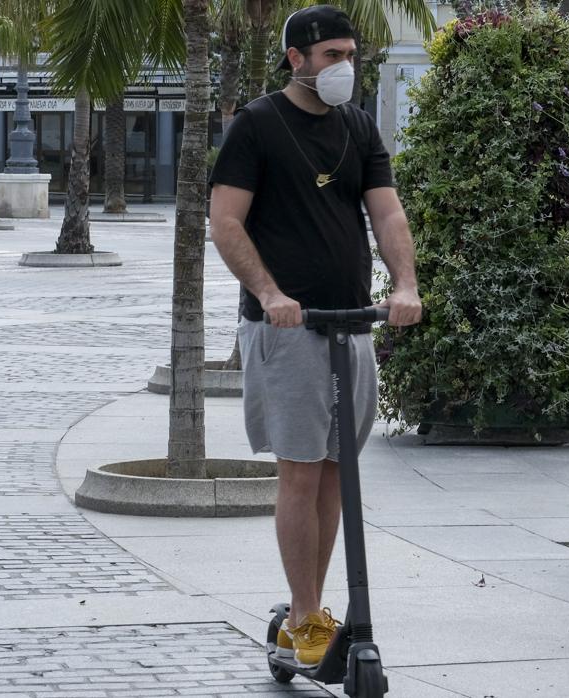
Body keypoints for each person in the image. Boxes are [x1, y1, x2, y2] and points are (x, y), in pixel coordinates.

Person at [208, 5, 422, 669]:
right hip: (289, 330)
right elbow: (226, 222)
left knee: (336, 475)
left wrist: (405, 284)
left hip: (350, 324)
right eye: (332, 55)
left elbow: (386, 214)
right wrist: (270, 294)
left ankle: (314, 609)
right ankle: (303, 617)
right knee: (301, 473)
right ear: (297, 57)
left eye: (349, 55)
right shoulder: (257, 126)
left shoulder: (359, 127)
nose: (344, 68)